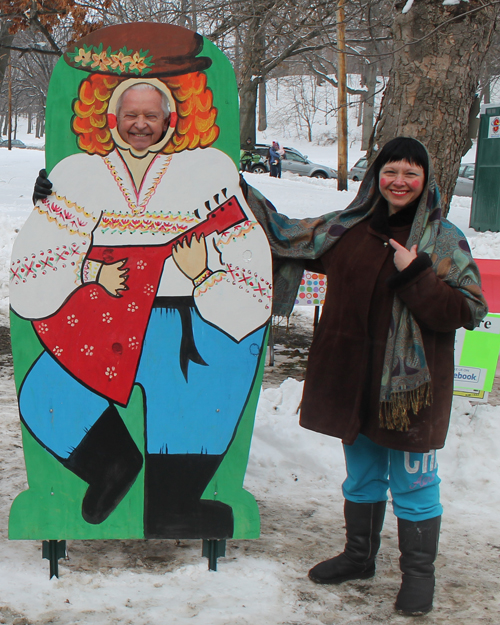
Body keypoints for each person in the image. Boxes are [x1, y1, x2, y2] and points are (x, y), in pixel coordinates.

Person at [12, 30, 272, 539]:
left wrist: (204, 277)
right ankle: (112, 465)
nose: (140, 124)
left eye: (151, 115)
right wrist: (88, 270)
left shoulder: (206, 173)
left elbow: (249, 268)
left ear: (169, 120)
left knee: (198, 394)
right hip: (106, 316)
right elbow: (36, 266)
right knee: (43, 395)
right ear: (112, 120)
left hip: (189, 324)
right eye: (131, 114)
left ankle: (177, 502)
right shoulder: (81, 175)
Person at [244, 137, 487, 616]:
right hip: (353, 382)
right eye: (391, 170)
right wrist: (232, 187)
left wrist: (415, 271)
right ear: (377, 175)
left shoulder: (443, 239)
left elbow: (466, 309)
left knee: (415, 486)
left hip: (409, 391)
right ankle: (359, 557)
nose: (400, 181)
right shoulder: (347, 230)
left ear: (426, 179)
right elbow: (284, 236)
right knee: (362, 477)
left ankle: (419, 577)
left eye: (411, 173)